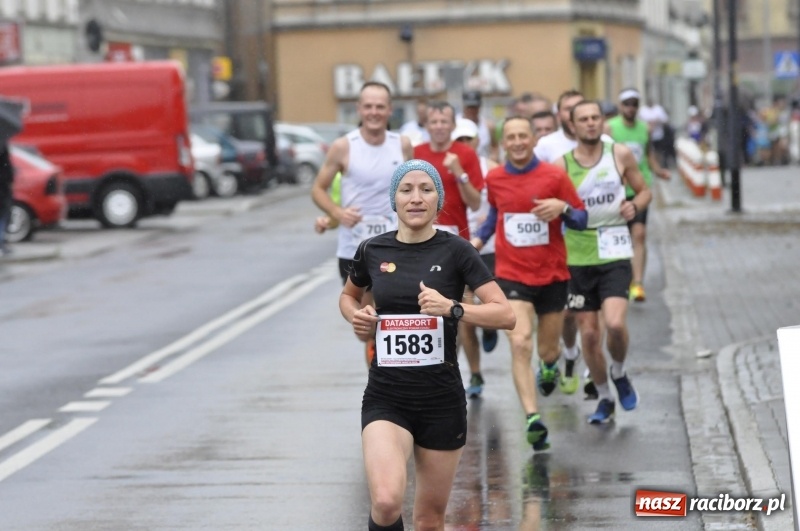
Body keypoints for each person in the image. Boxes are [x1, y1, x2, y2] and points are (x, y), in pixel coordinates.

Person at [340, 159, 515, 531]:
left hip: (441, 400)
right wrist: (356, 315)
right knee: (387, 501)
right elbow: (348, 296)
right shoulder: (373, 250)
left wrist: (452, 308)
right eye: (406, 190)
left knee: (429, 520)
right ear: (394, 200)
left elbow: (505, 315)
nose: (416, 198)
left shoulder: (457, 251)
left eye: (426, 190)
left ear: (439, 200)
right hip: (387, 397)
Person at [472, 116, 587, 451]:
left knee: (547, 350)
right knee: (520, 341)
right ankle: (533, 418)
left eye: (524, 135)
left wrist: (562, 207)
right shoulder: (495, 178)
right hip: (511, 275)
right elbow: (495, 218)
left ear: (535, 139)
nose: (519, 142)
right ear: (502, 143)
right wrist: (474, 245)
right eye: (512, 137)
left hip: (552, 275)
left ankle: (550, 366)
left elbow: (581, 219)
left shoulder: (554, 175)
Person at [554, 100, 652, 423]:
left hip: (614, 250)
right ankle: (605, 397)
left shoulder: (619, 154)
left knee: (614, 324)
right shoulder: (561, 165)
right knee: (591, 335)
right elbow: (549, 208)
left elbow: (644, 191)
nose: (591, 123)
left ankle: (619, 372)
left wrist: (634, 206)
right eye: (584, 119)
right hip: (578, 258)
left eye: (596, 117)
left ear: (602, 121)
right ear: (572, 126)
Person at [311, 81, 413, 365]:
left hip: (394, 246)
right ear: (358, 109)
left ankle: (385, 383)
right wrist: (338, 212)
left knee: (387, 315)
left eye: (380, 106)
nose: (374, 112)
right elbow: (318, 189)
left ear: (390, 110)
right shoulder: (344, 147)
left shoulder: (402, 145)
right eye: (368, 106)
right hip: (354, 249)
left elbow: (415, 185)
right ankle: (375, 352)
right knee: (365, 326)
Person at [606, 88, 670, 303]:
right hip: (617, 190)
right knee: (620, 238)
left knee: (639, 234)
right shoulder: (611, 127)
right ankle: (620, 279)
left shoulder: (645, 128)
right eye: (627, 104)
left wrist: (658, 170)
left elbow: (648, 153)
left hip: (640, 188)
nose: (630, 108)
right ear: (620, 106)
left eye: (634, 104)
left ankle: (638, 283)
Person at [452, 117, 500, 398]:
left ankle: (489, 328)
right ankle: (476, 374)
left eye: (467, 140)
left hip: (491, 248)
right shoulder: (444, 168)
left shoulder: (490, 168)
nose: (463, 145)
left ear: (476, 141)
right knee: (465, 317)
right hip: (460, 249)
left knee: (492, 306)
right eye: (458, 141)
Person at [460, 90, 499, 161]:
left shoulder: (488, 126)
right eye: (469, 107)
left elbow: (495, 147)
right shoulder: (456, 124)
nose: (472, 110)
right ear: (464, 106)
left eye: (474, 107)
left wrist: (492, 159)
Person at [0, 143, 12, 256]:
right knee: (3, 216)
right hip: (3, 188)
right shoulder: (3, 146)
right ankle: (1, 242)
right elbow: (8, 169)